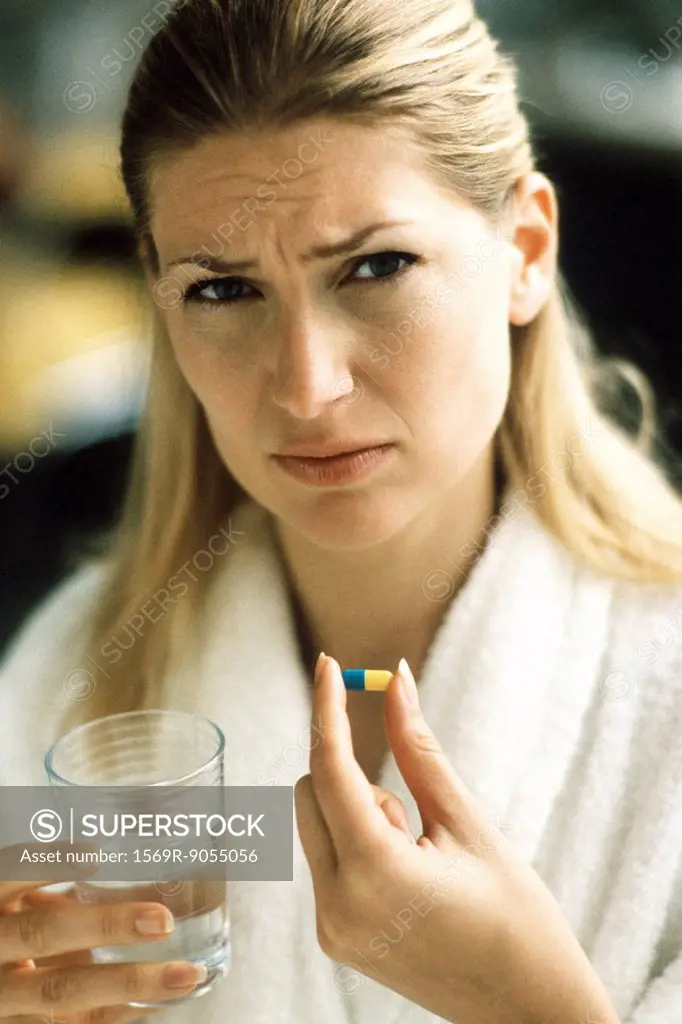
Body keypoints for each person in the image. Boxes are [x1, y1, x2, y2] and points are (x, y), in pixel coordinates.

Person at [1, 0, 681, 1021]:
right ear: (157, 294)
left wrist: (532, 1006)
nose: (307, 385)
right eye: (224, 292)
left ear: (526, 250)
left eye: (375, 266)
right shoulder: (75, 684)